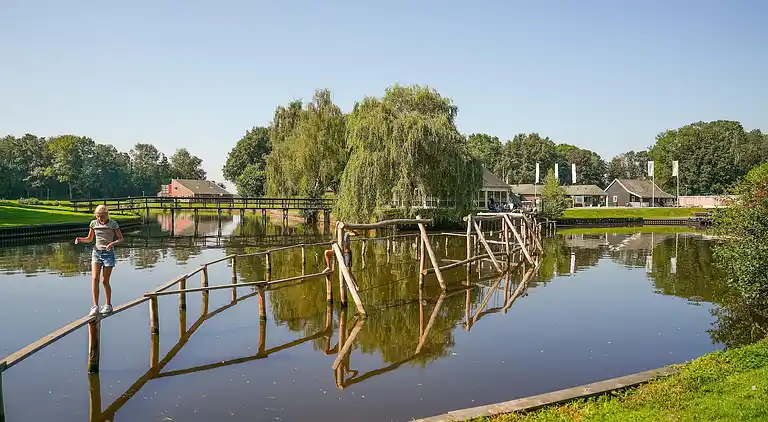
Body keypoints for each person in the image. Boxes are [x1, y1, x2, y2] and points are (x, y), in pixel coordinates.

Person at [75, 205, 124, 316]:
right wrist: (80, 239)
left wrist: (112, 243)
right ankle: (95, 306)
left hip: (108, 254)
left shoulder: (113, 224)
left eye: (101, 217)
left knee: (104, 281)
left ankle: (108, 305)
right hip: (96, 253)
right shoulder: (93, 224)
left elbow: (121, 239)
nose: (99, 219)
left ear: (106, 215)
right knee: (94, 279)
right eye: (97, 217)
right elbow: (90, 239)